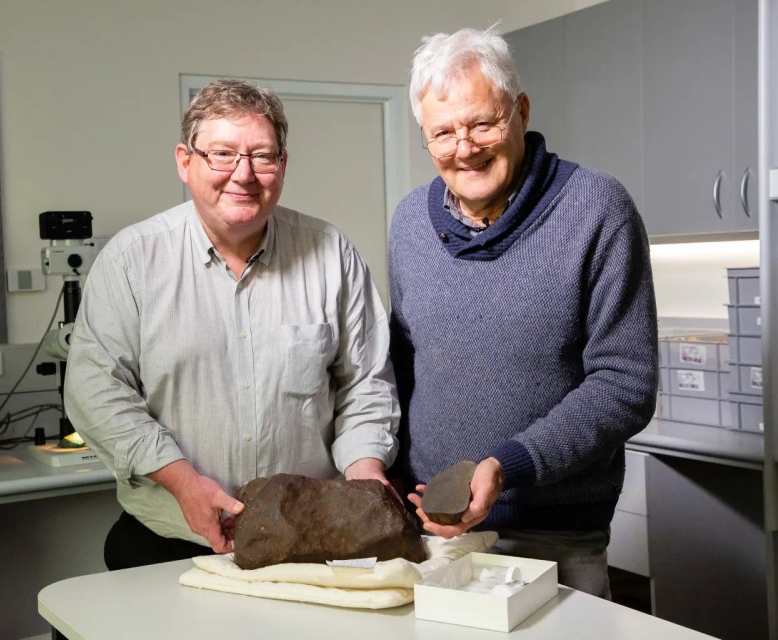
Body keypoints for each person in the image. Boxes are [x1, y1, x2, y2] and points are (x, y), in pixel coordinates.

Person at [65, 78, 399, 570]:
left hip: (308, 546)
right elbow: (96, 391)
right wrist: (182, 480)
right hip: (169, 543)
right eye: (221, 154)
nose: (242, 175)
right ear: (185, 161)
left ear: (282, 165)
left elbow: (365, 384)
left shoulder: (333, 255)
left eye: (262, 156)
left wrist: (365, 473)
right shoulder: (131, 262)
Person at [388, 27, 658, 599]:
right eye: (443, 133)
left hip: (557, 534)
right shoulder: (411, 222)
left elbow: (625, 383)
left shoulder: (597, 209)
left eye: (482, 123)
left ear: (521, 111)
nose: (465, 147)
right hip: (437, 532)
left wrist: (510, 465)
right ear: (425, 137)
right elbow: (405, 364)